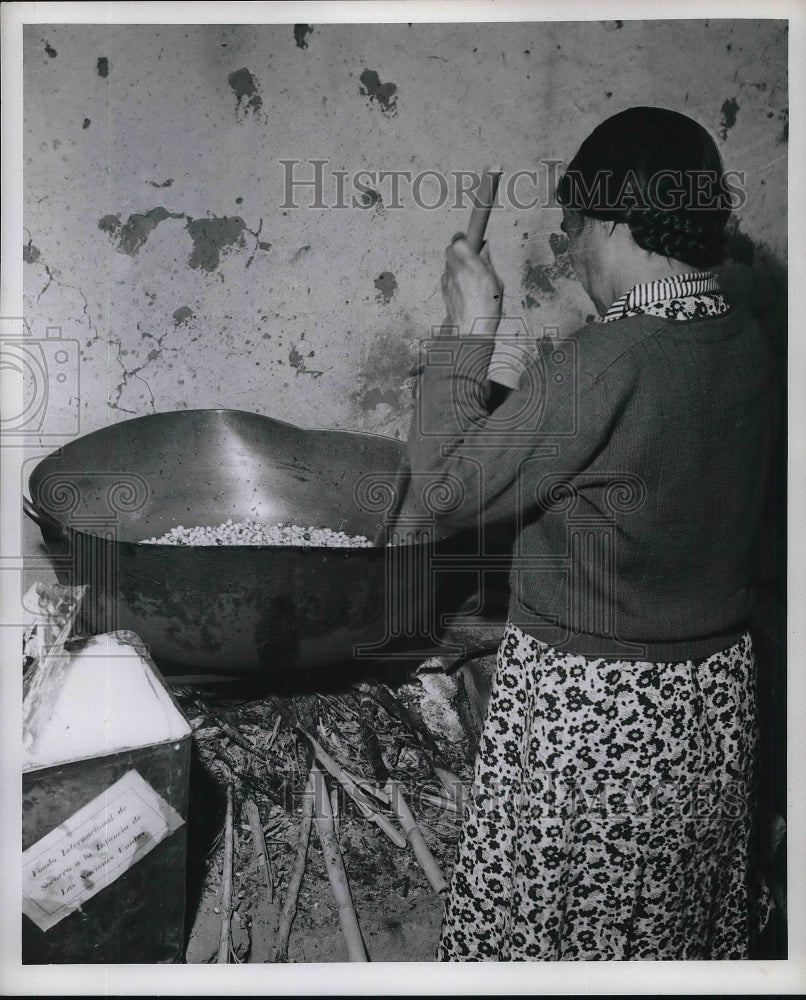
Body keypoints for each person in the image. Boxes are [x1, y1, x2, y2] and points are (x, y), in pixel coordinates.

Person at [406, 107, 771, 961]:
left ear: (610, 220)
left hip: (598, 714)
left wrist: (469, 320)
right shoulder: (743, 337)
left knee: (563, 935)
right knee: (661, 930)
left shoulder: (607, 357)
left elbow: (445, 490)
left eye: (571, 229)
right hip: (707, 703)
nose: (568, 257)